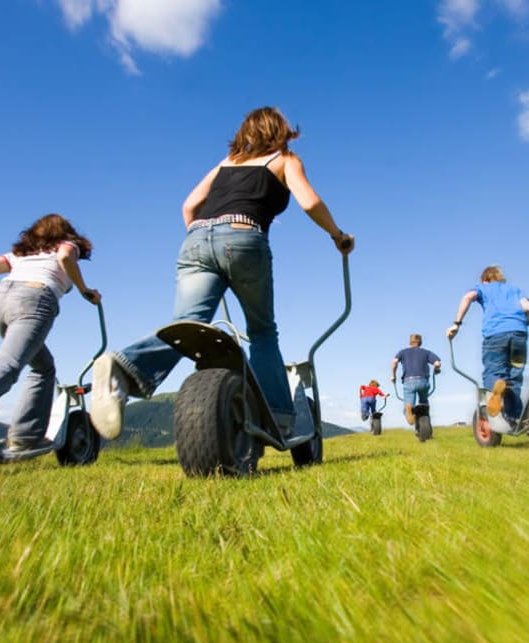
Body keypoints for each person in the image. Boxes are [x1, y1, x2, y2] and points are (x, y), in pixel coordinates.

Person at [90, 106, 354, 440]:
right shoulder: (285, 159)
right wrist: (337, 236)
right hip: (244, 237)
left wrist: (203, 239)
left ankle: (123, 368)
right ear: (281, 131)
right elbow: (309, 202)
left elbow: (189, 205)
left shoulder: (225, 164)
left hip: (195, 239)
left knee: (187, 327)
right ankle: (279, 416)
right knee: (262, 332)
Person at [0, 214, 101, 470]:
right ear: (66, 233)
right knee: (10, 363)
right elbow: (66, 257)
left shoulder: (20, 256)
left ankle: (26, 436)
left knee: (43, 367)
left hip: (0, 303)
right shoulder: (66, 245)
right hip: (35, 299)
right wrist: (85, 290)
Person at [446, 265, 529, 424]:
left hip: (496, 334)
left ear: (485, 279)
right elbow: (528, 306)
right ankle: (514, 419)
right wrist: (526, 318)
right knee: (515, 375)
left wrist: (456, 324)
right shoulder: (514, 289)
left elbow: (468, 297)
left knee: (494, 370)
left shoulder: (483, 288)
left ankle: (495, 389)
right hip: (519, 334)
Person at [391, 334, 441, 425]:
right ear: (420, 342)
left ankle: (409, 409)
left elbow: (394, 362)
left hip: (409, 381)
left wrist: (393, 376)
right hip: (423, 381)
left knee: (409, 403)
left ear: (410, 342)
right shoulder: (426, 352)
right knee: (424, 402)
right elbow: (437, 363)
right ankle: (425, 413)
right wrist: (436, 369)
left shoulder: (402, 352)